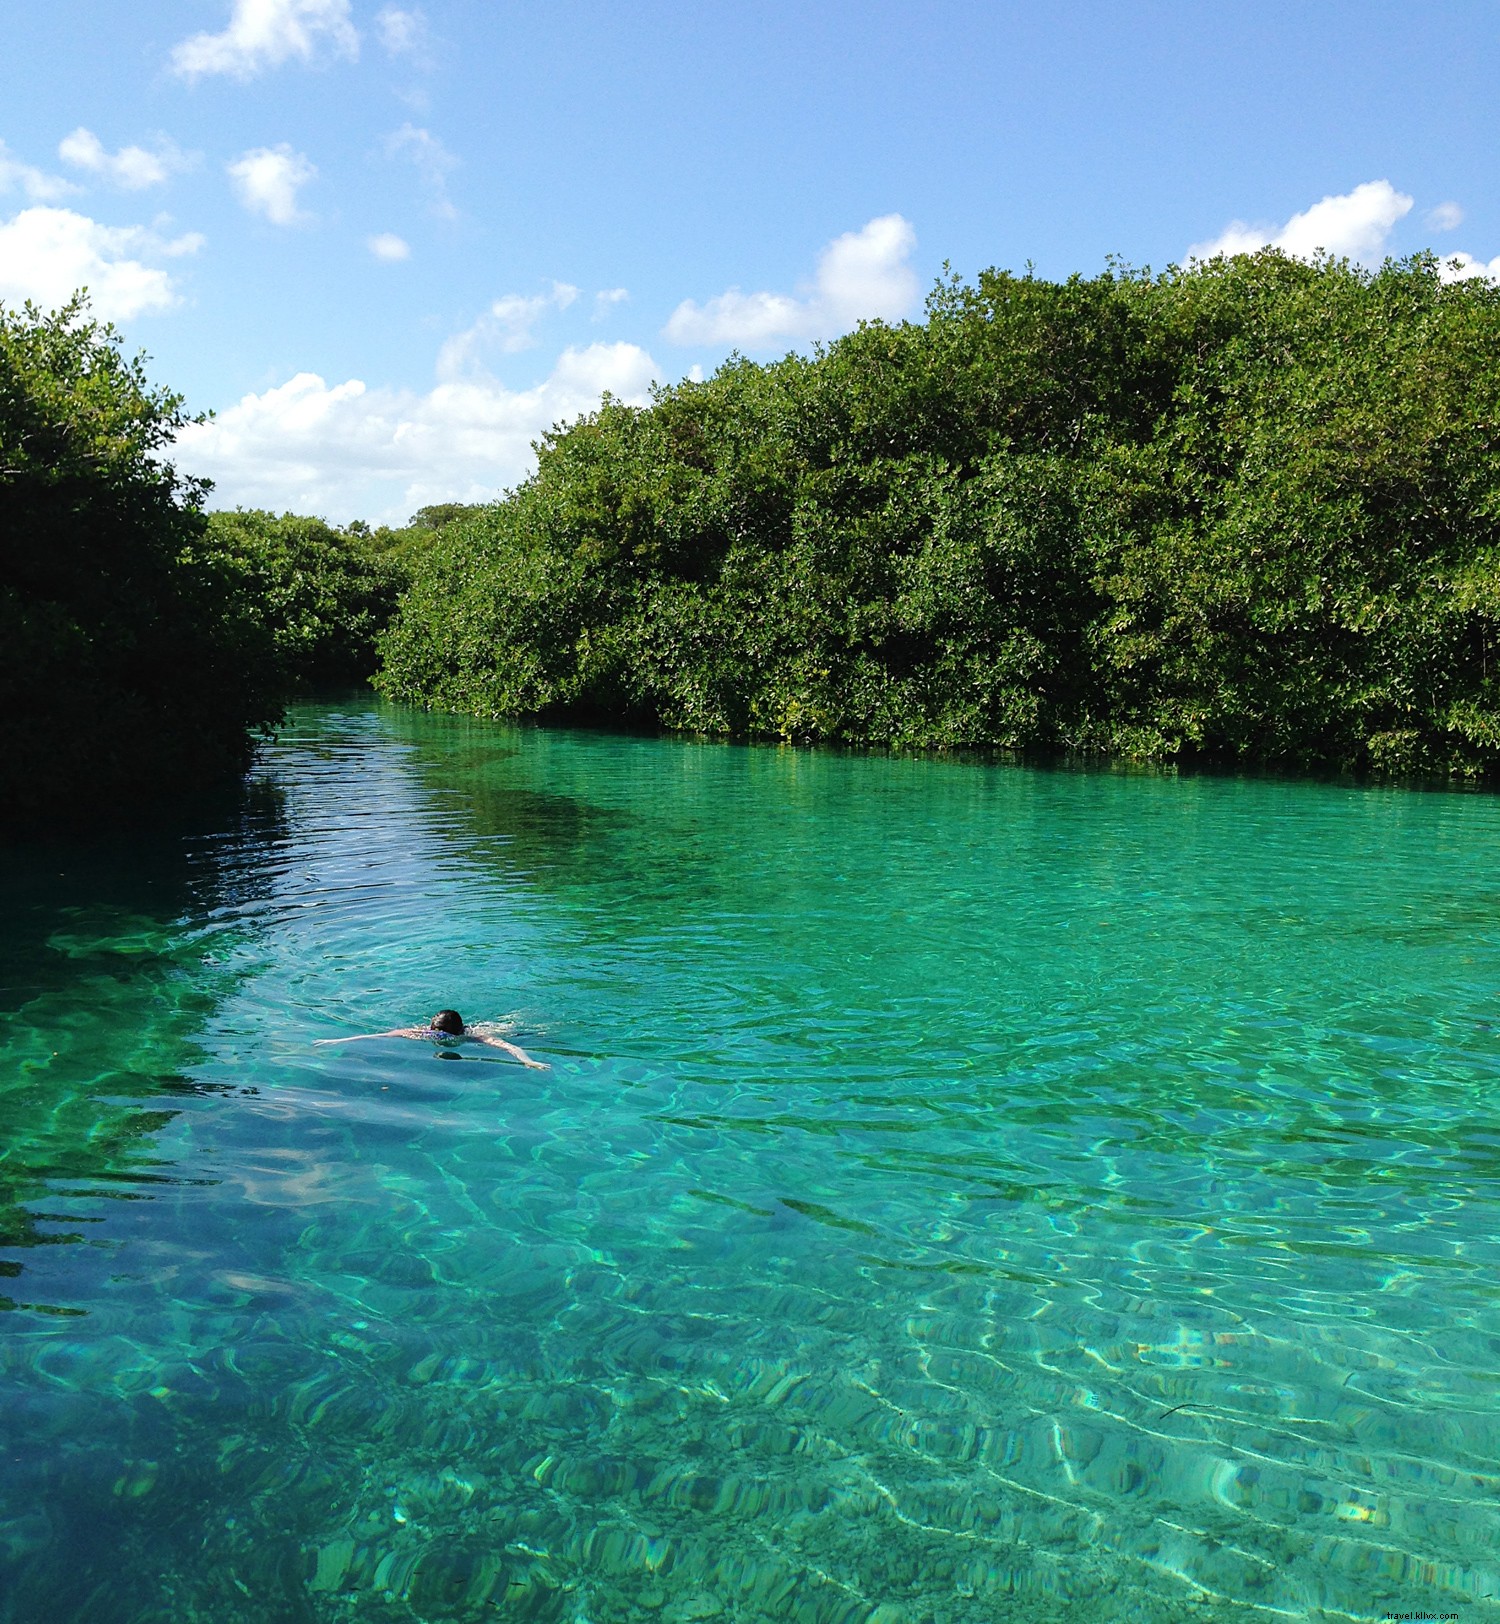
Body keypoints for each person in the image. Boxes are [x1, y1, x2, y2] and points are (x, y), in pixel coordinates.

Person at [316, 1009, 549, 1069]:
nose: (438, 1039)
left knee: (513, 1030)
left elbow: (509, 1046)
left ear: (458, 1033)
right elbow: (378, 1035)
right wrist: (337, 1041)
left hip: (493, 1030)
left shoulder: (474, 1036)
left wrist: (527, 1061)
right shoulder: (419, 1033)